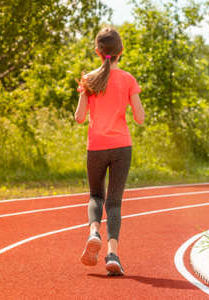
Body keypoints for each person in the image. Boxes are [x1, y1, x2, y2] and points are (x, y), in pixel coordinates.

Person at [75, 26, 145, 276]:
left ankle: (94, 232)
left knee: (96, 196)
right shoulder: (128, 79)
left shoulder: (89, 80)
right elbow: (139, 118)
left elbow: (79, 117)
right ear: (121, 51)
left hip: (96, 147)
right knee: (114, 203)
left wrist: (85, 93)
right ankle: (112, 254)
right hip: (121, 148)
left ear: (97, 51)